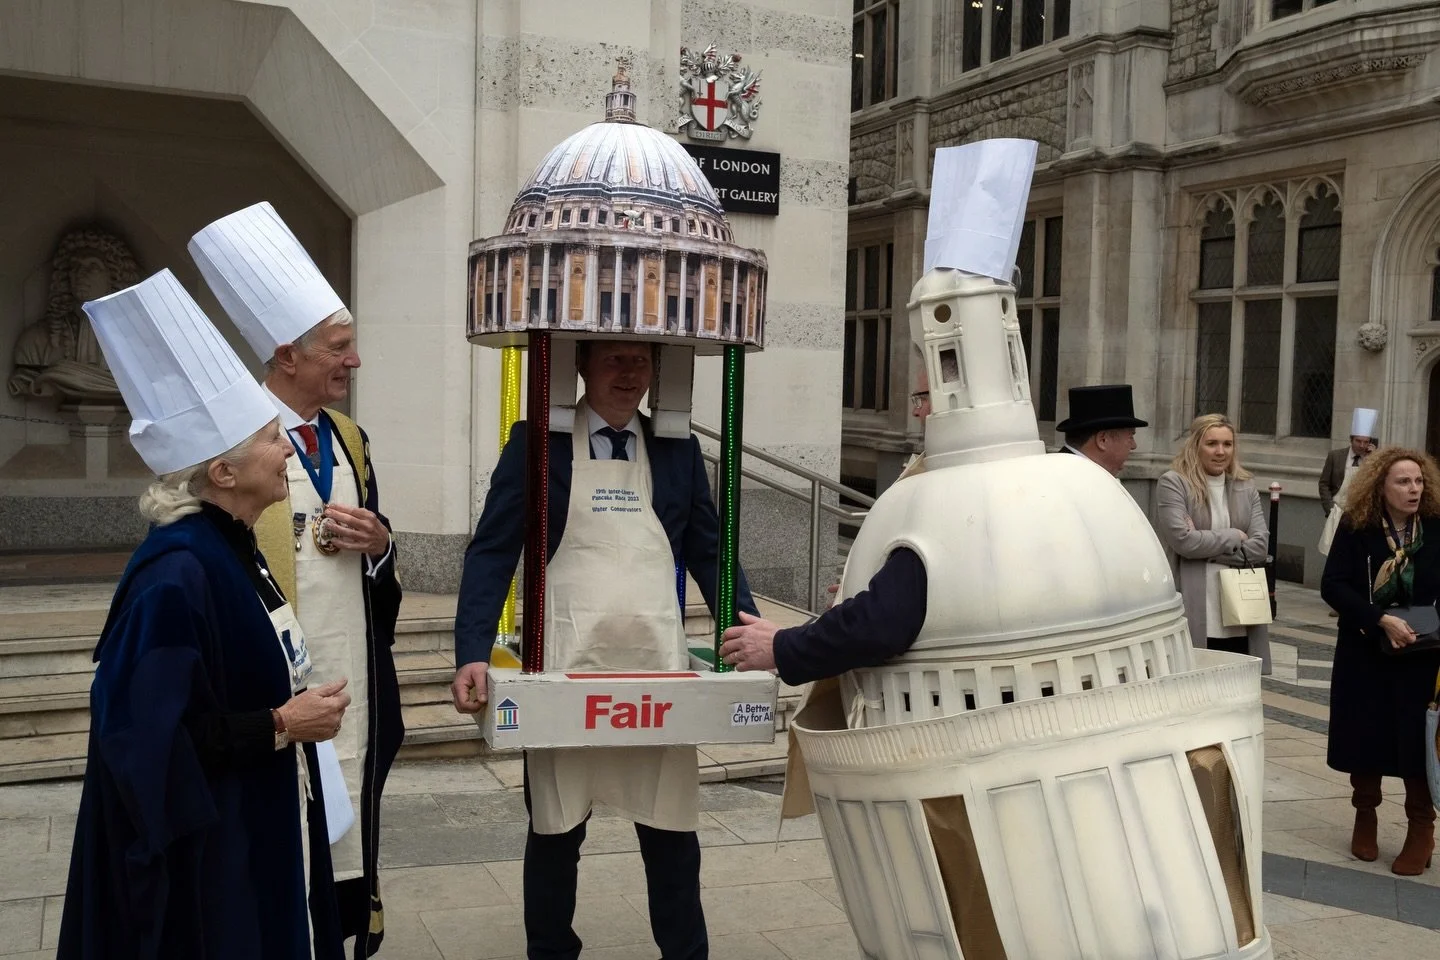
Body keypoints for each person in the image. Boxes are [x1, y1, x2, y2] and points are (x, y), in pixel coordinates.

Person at [57, 269, 352, 959]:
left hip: (258, 826)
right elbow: (145, 743)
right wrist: (282, 724)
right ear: (222, 472)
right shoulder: (175, 576)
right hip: (213, 868)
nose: (287, 449)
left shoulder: (231, 546)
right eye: (271, 439)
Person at [452, 339, 758, 960]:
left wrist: (746, 631)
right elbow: (493, 549)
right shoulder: (536, 444)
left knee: (672, 831)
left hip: (656, 672)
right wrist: (472, 650)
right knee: (555, 830)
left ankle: (686, 952)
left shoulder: (677, 449)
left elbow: (710, 550)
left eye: (640, 360)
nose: (629, 372)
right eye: (614, 359)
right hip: (566, 667)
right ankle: (551, 951)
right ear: (583, 365)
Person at [189, 202, 402, 957]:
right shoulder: (236, 443)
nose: (355, 362)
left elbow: (380, 563)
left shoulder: (350, 438)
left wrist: (380, 546)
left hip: (355, 680)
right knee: (286, 854)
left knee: (348, 851)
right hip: (279, 690)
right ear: (287, 355)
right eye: (339, 349)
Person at [1322, 446, 1440, 876]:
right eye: (1403, 481)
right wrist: (1379, 619)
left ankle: (1421, 828)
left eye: (1418, 481)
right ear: (1380, 486)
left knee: (1417, 741)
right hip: (1365, 650)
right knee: (1365, 734)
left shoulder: (1435, 528)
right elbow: (1333, 585)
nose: (1413, 489)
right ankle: (1365, 814)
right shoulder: (1357, 527)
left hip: (1422, 654)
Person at [1154, 414, 1271, 669]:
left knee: (1237, 680)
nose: (1220, 452)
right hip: (1196, 601)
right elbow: (1184, 541)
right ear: (1195, 445)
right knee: (1195, 679)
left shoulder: (1245, 486)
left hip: (1240, 608)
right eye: (1212, 444)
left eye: (1227, 444)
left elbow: (1260, 547)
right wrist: (1234, 536)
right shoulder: (1174, 483)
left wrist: (1205, 548)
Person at [1319, 408, 1379, 557]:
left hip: (1361, 516)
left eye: (1366, 442)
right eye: (1358, 441)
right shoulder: (1335, 456)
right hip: (1337, 513)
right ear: (1351, 439)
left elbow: (1377, 485)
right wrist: (1329, 508)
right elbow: (1324, 483)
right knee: (1334, 553)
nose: (1362, 445)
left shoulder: (1373, 460)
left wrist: (1374, 459)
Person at [1054, 384, 1148, 477]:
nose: (1134, 446)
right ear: (1103, 439)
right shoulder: (1079, 480)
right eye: (1130, 437)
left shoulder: (1062, 472)